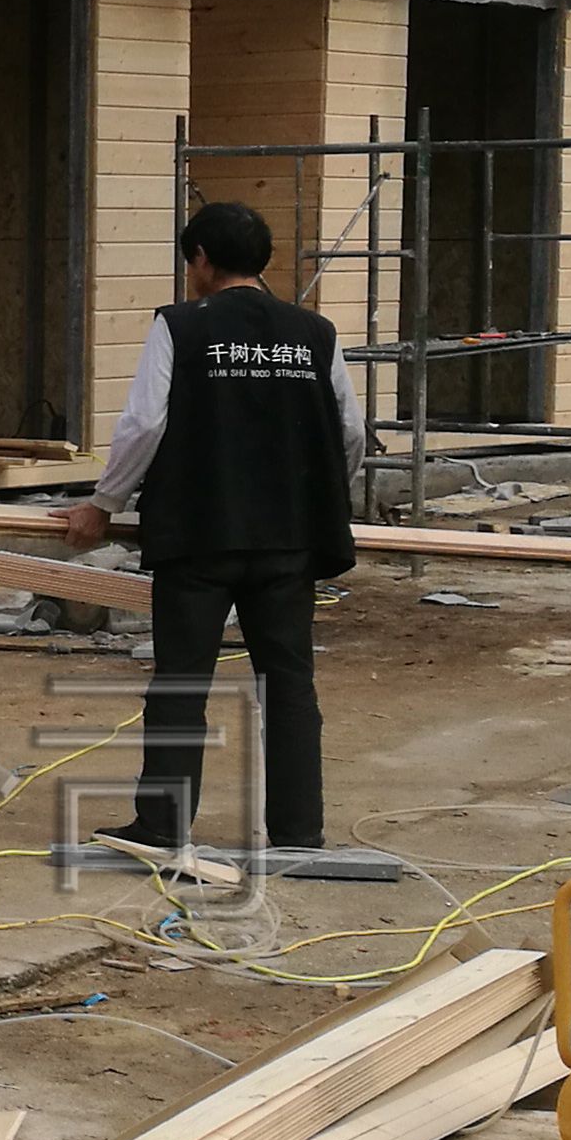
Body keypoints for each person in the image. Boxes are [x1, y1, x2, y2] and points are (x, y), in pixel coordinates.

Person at [56, 199, 367, 855]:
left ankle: (163, 827)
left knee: (181, 682)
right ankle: (298, 832)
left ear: (200, 259)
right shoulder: (314, 332)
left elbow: (145, 423)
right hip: (289, 540)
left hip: (198, 534)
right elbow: (350, 431)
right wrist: (317, 498)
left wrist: (104, 504)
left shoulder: (180, 325)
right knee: (288, 682)